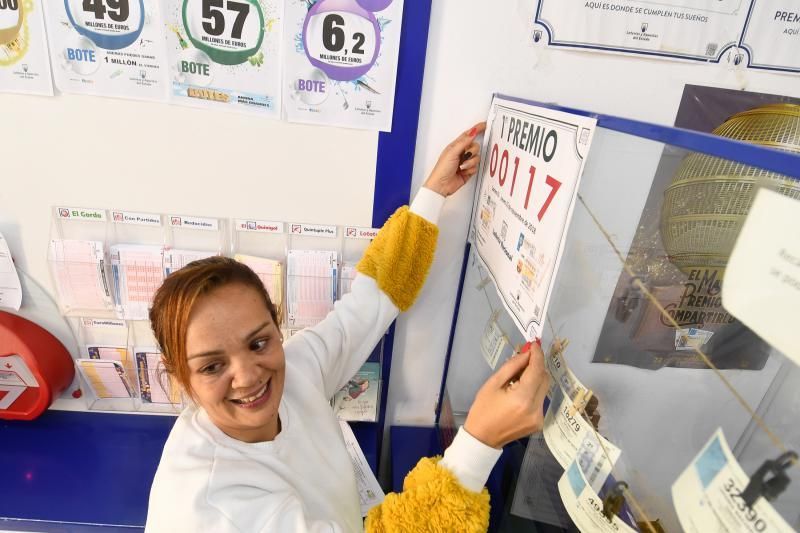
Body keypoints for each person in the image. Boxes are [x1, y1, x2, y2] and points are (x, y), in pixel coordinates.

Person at [144, 124, 550, 533]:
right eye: (212, 366)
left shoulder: (295, 368)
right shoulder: (216, 508)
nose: (248, 375)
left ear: (276, 324)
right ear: (179, 373)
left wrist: (432, 195)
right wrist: (479, 443)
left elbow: (367, 304)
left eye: (259, 342)